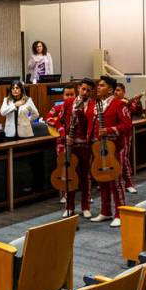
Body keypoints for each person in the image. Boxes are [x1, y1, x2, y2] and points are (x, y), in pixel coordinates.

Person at [87, 75, 132, 227]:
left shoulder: (119, 104)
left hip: (115, 148)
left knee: (115, 181)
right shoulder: (96, 104)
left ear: (110, 89)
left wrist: (109, 130)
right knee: (102, 179)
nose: (98, 88)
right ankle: (105, 211)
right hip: (98, 148)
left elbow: (127, 126)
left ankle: (120, 212)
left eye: (102, 85)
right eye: (98, 85)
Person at [59, 79, 95, 218]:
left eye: (88, 90)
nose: (85, 92)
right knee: (70, 176)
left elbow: (90, 124)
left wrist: (81, 112)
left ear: (91, 92)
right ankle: (69, 207)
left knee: (85, 176)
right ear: (79, 88)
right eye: (83, 89)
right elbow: (59, 121)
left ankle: (86, 206)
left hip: (85, 145)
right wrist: (64, 135)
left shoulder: (93, 105)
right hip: (71, 145)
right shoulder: (69, 103)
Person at [113, 83, 138, 194]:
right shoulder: (110, 103)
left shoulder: (127, 103)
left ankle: (128, 183)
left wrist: (134, 102)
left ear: (123, 92)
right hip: (113, 135)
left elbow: (135, 110)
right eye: (114, 90)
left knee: (124, 160)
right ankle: (112, 181)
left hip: (125, 136)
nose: (116, 92)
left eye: (118, 90)